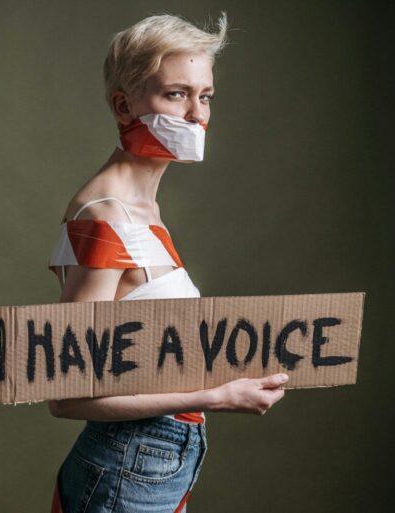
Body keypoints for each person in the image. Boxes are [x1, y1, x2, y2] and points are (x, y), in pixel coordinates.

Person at [46, 12, 289, 513]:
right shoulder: (106, 216)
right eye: (176, 94)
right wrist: (218, 397)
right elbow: (66, 396)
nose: (197, 115)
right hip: (128, 468)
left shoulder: (141, 211)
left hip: (157, 464)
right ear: (124, 105)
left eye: (206, 96)